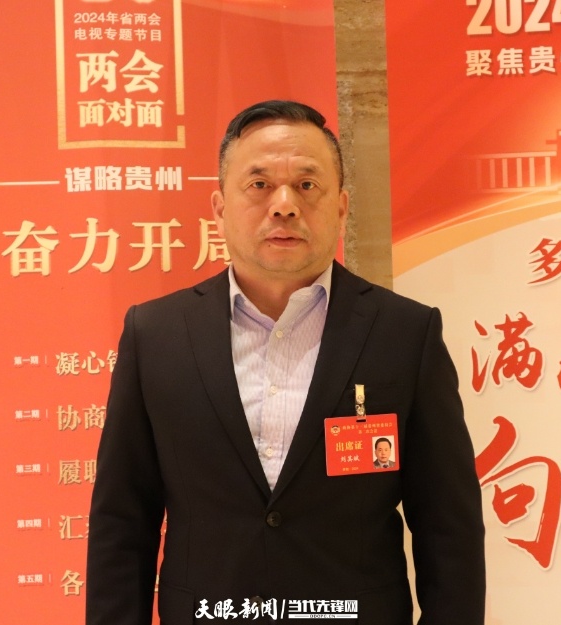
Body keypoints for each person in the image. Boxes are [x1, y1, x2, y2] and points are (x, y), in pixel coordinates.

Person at [86, 100, 485, 625]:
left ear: (341, 207)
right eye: (259, 184)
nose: (284, 205)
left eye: (306, 184)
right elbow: (122, 522)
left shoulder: (405, 334)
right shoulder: (156, 334)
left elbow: (448, 527)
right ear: (219, 207)